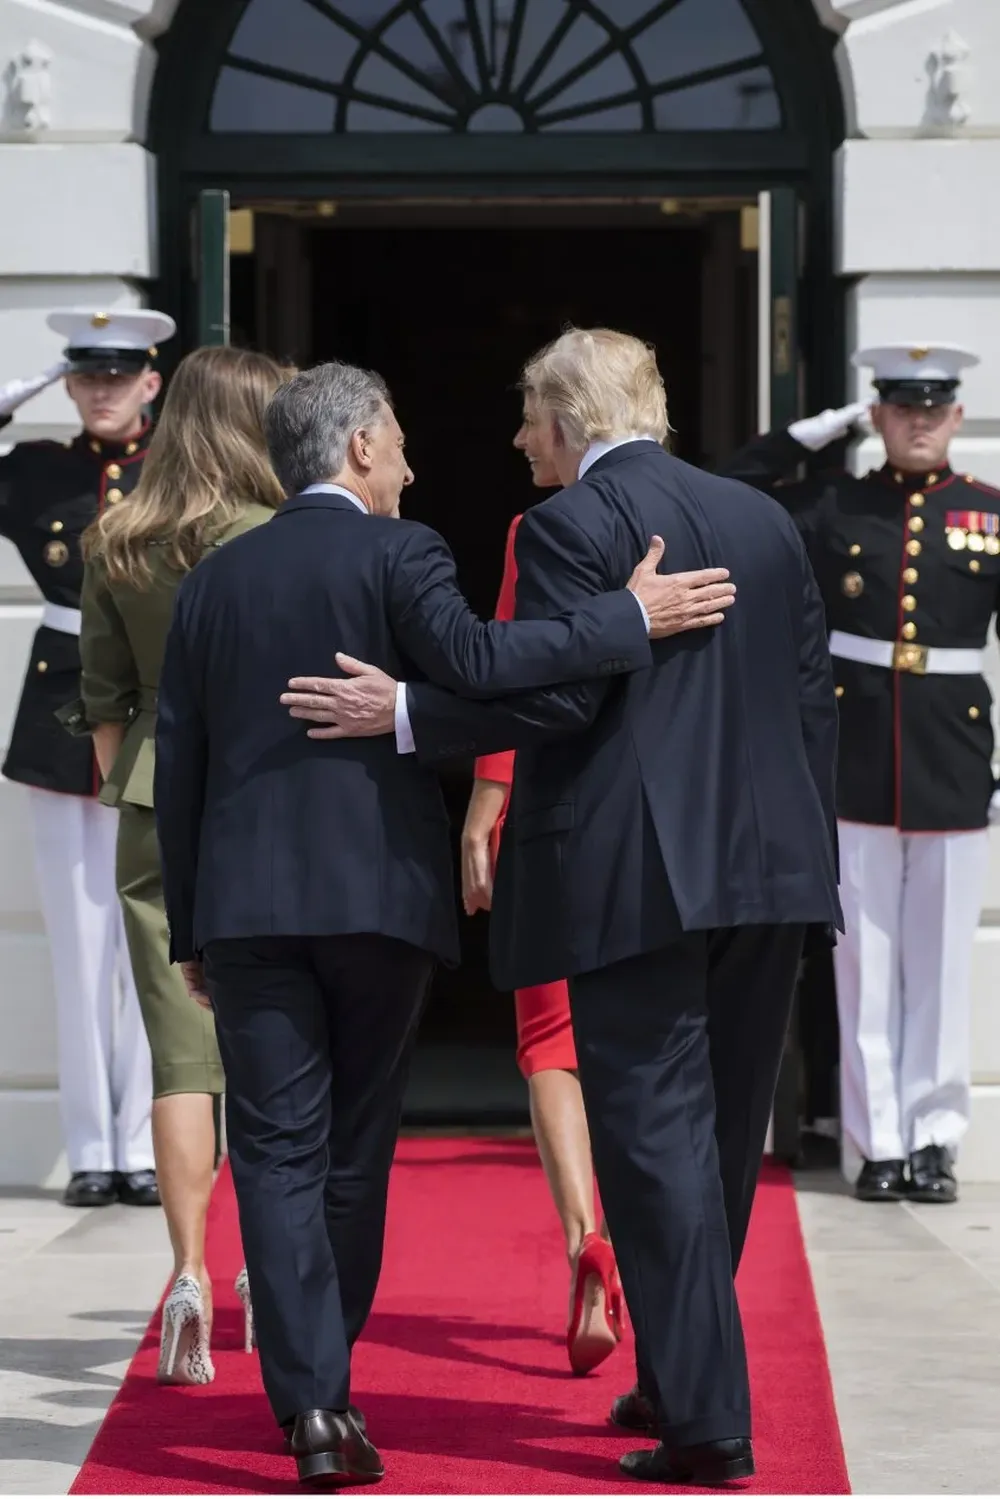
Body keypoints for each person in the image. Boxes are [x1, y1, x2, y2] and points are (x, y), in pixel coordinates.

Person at [153, 359, 736, 1485]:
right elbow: (480, 663)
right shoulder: (399, 552)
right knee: (352, 1153)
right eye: (405, 441)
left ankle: (312, 1403)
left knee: (273, 1150)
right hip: (377, 901)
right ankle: (328, 1381)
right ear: (361, 444)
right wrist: (626, 617)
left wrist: (190, 925)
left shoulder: (214, 578)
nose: (416, 467)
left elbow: (181, 764)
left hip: (246, 908)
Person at [284, 329, 841, 1486]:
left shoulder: (563, 527)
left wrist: (406, 714)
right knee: (725, 1139)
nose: (516, 439)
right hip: (770, 869)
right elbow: (808, 705)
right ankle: (682, 1371)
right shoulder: (763, 519)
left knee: (655, 1145)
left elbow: (551, 701)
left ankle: (705, 1423)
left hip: (637, 875)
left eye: (529, 418)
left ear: (570, 419)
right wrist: (806, 850)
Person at [65, 346, 290, 1384]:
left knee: (180, 1053)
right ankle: (272, 1272)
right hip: (264, 796)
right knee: (277, 1036)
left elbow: (102, 701)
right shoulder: (276, 534)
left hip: (155, 796)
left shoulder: (119, 534)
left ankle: (191, 1272)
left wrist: (135, 791)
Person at [724, 344, 994, 1206]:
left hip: (954, 758)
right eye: (899, 405)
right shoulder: (832, 502)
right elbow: (735, 489)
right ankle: (877, 1144)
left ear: (957, 416)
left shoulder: (989, 512)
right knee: (864, 964)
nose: (919, 419)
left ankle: (934, 1140)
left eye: (935, 406)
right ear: (876, 415)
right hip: (854, 757)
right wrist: (818, 430)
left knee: (943, 965)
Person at [0, 308, 175, 1209]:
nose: (102, 391)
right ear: (68, 383)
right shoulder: (34, 473)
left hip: (149, 706)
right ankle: (91, 1149)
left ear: (152, 380)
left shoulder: (175, 469)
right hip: (58, 714)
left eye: (119, 376)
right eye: (86, 376)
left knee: (147, 936)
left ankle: (145, 1142)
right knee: (78, 945)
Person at [463, 510, 621, 1375]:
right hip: (653, 821)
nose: (522, 439)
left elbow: (506, 668)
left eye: (533, 420)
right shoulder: (701, 511)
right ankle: (646, 1258)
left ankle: (585, 1238)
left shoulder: (539, 529)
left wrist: (487, 800)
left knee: (550, 1043)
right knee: (651, 1045)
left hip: (550, 813)